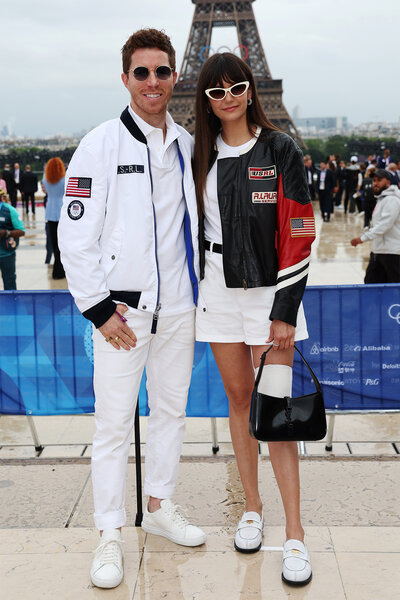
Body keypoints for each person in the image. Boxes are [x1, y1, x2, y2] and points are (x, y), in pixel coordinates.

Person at [58, 28, 205, 590]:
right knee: (113, 426)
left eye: (161, 72)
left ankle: (160, 507)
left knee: (170, 414)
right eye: (141, 72)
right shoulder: (99, 144)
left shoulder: (188, 145)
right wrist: (98, 311)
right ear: (125, 79)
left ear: (174, 77)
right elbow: (75, 237)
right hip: (123, 315)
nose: (152, 81)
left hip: (179, 311)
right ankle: (109, 533)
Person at [193, 52, 315, 586]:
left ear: (250, 88)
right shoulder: (197, 155)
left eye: (236, 86)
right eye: (216, 91)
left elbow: (301, 230)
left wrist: (285, 311)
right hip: (218, 290)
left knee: (279, 412)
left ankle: (294, 533)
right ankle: (252, 509)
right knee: (240, 402)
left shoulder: (280, 148)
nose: (228, 98)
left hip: (270, 293)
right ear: (206, 99)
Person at [350, 169, 400, 282]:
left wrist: (362, 238)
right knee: (370, 284)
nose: (375, 183)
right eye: (374, 180)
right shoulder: (382, 199)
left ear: (388, 182)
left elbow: (384, 225)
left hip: (392, 253)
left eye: (379, 180)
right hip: (378, 252)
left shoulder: (392, 200)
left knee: (394, 289)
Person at [42, 158, 66, 279]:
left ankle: (57, 270)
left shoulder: (45, 180)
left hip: (50, 213)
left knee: (54, 241)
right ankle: (60, 269)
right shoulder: (64, 181)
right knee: (62, 243)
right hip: (62, 212)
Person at [0, 188, 25, 289]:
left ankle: (11, 303)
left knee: (9, 282)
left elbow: (21, 231)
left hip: (6, 254)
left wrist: (6, 233)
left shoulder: (10, 210)